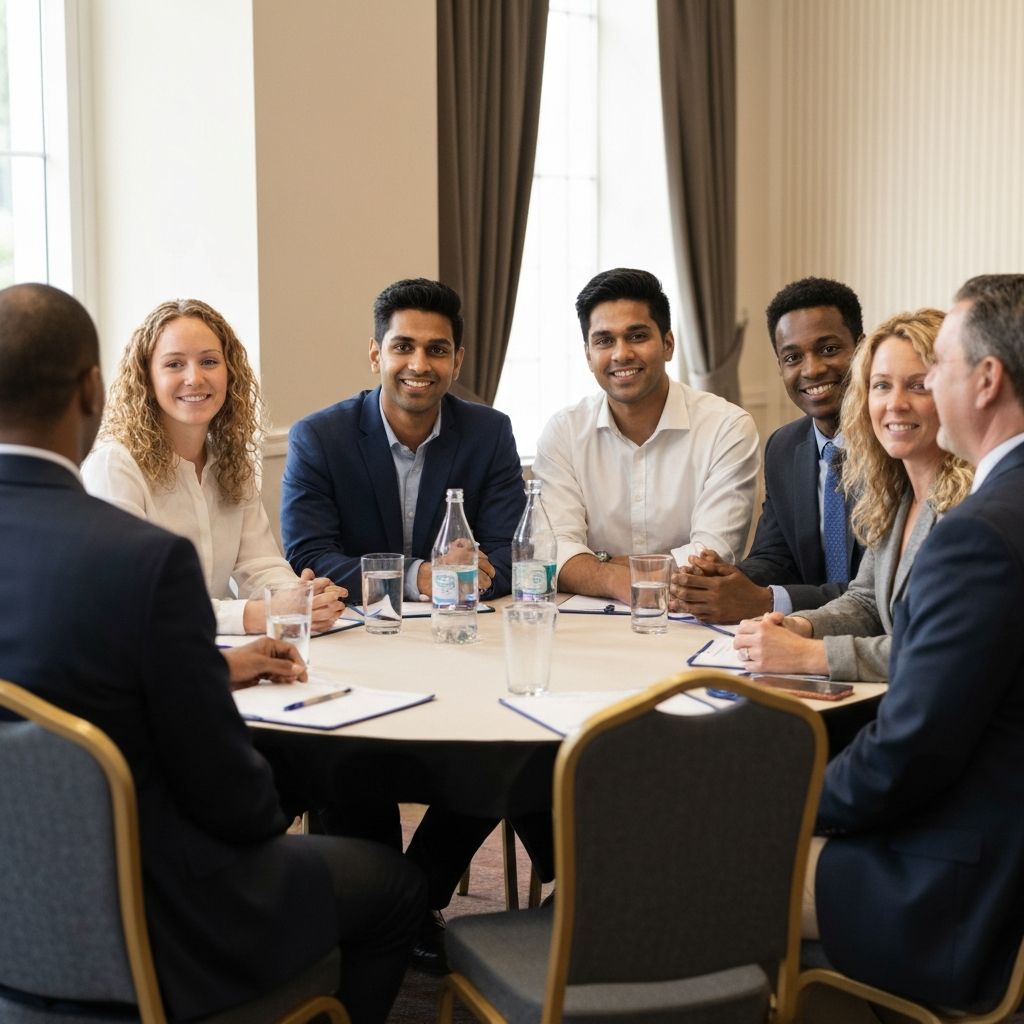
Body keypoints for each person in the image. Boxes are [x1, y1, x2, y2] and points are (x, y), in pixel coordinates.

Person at [0, 283, 425, 1024]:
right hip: (159, 913)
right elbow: (239, 804)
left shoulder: (179, 502)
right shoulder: (134, 556)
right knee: (396, 890)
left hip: (24, 896)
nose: (193, 379)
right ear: (100, 390)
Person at [281, 277, 548, 974]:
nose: (419, 364)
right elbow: (309, 553)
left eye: (437, 349)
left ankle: (409, 899)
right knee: (343, 753)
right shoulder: (319, 435)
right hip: (356, 654)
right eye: (403, 346)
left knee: (508, 744)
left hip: (463, 648)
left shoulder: (488, 432)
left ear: (458, 360)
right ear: (375, 354)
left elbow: (497, 548)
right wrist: (419, 578)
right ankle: (368, 908)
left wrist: (472, 570)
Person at [803, 274, 1024, 1012]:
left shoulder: (978, 535)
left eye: (936, 372)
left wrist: (794, 802)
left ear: (985, 380)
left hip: (967, 884)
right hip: (990, 824)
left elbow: (912, 750)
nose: (912, 394)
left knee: (716, 854)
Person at [732, 309, 972, 681]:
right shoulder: (894, 492)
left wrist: (810, 654)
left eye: (918, 385)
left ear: (955, 391)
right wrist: (799, 626)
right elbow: (866, 603)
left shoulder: (974, 505)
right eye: (881, 385)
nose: (895, 404)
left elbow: (941, 650)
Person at [82, 298, 345, 635]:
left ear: (229, 372)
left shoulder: (230, 461)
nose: (194, 378)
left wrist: (299, 596)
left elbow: (259, 564)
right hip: (134, 661)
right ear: (146, 378)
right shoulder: (114, 466)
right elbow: (134, 598)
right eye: (174, 364)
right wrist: (262, 615)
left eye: (208, 361)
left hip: (207, 651)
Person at [531, 267, 760, 605]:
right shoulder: (563, 432)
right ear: (588, 355)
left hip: (689, 620)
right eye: (604, 340)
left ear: (668, 344)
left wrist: (599, 563)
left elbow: (710, 558)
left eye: (637, 336)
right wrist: (615, 579)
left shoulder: (727, 428)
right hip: (589, 624)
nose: (621, 354)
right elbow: (554, 554)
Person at [677, 276, 866, 623]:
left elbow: (875, 592)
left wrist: (767, 601)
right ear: (780, 367)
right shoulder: (784, 446)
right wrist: (723, 580)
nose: (812, 369)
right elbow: (775, 557)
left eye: (828, 349)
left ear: (862, 349)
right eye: (793, 357)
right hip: (798, 636)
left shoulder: (898, 449)